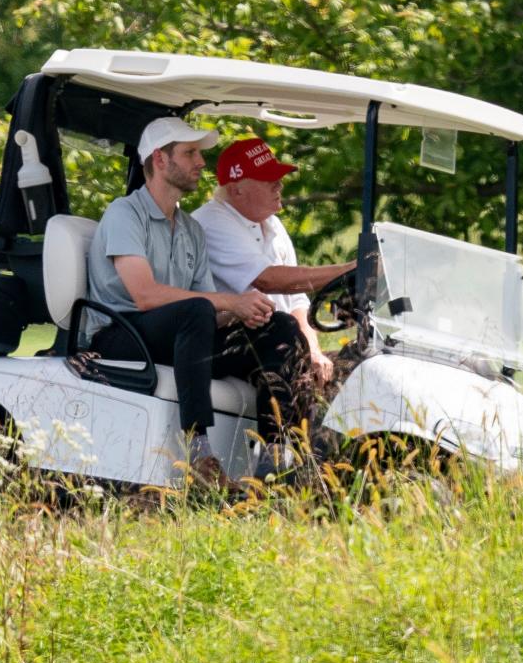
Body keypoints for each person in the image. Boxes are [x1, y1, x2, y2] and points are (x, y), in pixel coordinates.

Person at [86, 117, 313, 486]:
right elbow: (145, 296)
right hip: (120, 334)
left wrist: (244, 315)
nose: (202, 163)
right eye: (190, 153)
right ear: (160, 160)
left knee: (280, 327)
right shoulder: (124, 214)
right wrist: (228, 301)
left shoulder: (190, 228)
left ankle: (277, 460)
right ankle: (198, 451)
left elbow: (213, 312)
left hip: (178, 336)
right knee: (196, 311)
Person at [193, 137, 356, 385]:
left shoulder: (272, 223)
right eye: (269, 179)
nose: (279, 184)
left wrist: (313, 349)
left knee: (360, 359)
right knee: (278, 330)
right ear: (237, 189)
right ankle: (279, 426)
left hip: (278, 338)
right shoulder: (211, 221)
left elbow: (296, 300)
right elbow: (268, 280)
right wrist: (349, 270)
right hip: (221, 342)